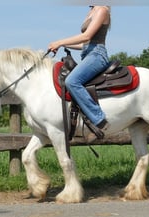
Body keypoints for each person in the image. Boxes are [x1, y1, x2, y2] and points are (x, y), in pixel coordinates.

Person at [48, 5, 111, 140]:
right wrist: (63, 45)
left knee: (72, 81)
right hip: (87, 54)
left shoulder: (102, 9)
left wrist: (59, 42)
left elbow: (86, 36)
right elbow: (85, 44)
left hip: (97, 55)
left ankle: (100, 121)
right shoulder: (91, 11)